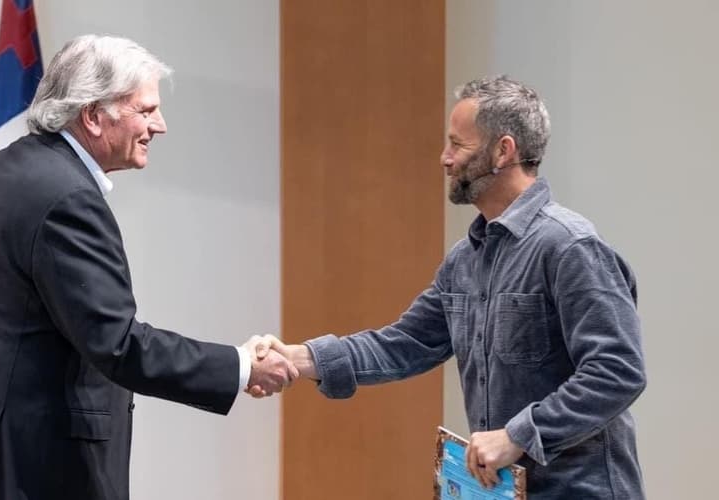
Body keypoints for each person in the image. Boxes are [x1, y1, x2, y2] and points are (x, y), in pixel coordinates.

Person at [0, 34, 295, 500]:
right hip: (31, 466)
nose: (161, 125)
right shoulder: (66, 198)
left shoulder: (7, 169)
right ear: (94, 116)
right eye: (147, 109)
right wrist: (240, 367)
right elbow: (118, 344)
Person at [260, 75, 647, 498]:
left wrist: (519, 435)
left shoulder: (570, 246)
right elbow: (403, 344)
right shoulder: (465, 258)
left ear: (504, 151)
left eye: (458, 145)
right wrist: (301, 358)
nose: (445, 159)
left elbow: (617, 371)